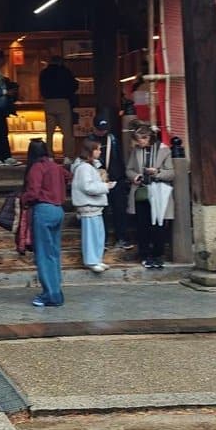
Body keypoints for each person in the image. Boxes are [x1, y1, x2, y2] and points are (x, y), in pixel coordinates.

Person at [19, 139, 67, 307]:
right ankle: (56, 291)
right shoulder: (55, 166)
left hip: (44, 211)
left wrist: (22, 199)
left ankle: (50, 294)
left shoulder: (36, 168)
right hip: (58, 210)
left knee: (44, 254)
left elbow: (33, 192)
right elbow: (69, 176)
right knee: (54, 253)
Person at [126, 123, 176, 268]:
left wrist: (157, 173)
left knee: (158, 225)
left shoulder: (164, 151)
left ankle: (158, 255)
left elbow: (171, 173)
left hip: (158, 192)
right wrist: (136, 177)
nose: (140, 141)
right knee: (142, 225)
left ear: (150, 137)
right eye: (138, 138)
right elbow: (129, 169)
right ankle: (145, 254)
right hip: (141, 191)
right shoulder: (135, 151)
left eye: (143, 138)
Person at [88, 114, 132, 248]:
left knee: (120, 210)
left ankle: (122, 238)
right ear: (94, 128)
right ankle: (104, 239)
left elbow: (119, 158)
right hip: (100, 181)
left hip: (116, 178)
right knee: (103, 211)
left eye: (104, 129)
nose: (103, 131)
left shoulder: (112, 139)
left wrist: (123, 176)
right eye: (100, 129)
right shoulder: (89, 141)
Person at [71, 138, 115, 273]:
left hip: (94, 207)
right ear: (91, 151)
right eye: (98, 149)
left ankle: (96, 259)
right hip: (88, 205)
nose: (100, 151)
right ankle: (91, 260)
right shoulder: (84, 167)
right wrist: (105, 186)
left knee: (97, 234)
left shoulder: (89, 166)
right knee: (91, 234)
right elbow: (87, 187)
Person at [39, 55, 79, 162]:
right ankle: (67, 156)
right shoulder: (65, 71)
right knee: (67, 132)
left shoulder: (44, 72)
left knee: (49, 133)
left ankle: (50, 156)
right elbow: (74, 86)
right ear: (60, 62)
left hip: (49, 103)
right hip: (63, 102)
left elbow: (41, 89)